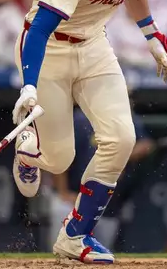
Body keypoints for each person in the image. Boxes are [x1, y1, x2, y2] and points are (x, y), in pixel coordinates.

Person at [10, 0, 167, 264]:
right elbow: (38, 29)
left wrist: (150, 34)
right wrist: (29, 86)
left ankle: (75, 235)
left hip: (93, 45)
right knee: (59, 160)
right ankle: (28, 152)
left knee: (121, 138)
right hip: (50, 47)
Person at [50, 95, 155, 251]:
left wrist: (123, 157)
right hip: (73, 198)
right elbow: (61, 155)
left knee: (101, 250)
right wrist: (63, 192)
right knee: (63, 242)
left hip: (106, 203)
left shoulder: (124, 120)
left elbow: (146, 144)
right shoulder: (81, 120)